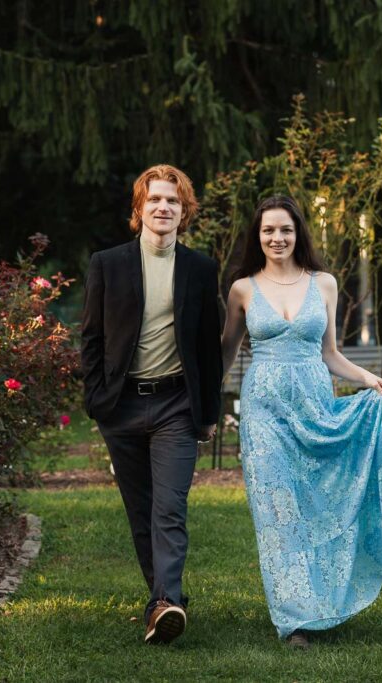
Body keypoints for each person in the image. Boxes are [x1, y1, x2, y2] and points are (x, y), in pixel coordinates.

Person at [220, 195, 382, 648]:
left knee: (317, 504)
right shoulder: (243, 289)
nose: (277, 238)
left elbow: (330, 353)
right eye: (268, 231)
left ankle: (325, 598)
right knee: (278, 513)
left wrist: (368, 377)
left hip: (315, 406)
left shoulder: (325, 284)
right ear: (257, 237)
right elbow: (227, 350)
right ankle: (295, 619)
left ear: (298, 234)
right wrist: (206, 404)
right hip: (265, 413)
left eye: (285, 230)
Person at [81, 164, 222, 644]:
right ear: (139, 209)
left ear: (185, 213)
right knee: (140, 510)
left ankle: (169, 600)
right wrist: (97, 401)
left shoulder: (200, 269)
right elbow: (92, 338)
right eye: (156, 200)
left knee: (169, 507)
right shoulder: (108, 263)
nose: (164, 208)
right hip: (121, 406)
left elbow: (207, 346)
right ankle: (160, 601)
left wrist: (207, 413)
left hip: (175, 406)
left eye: (174, 202)